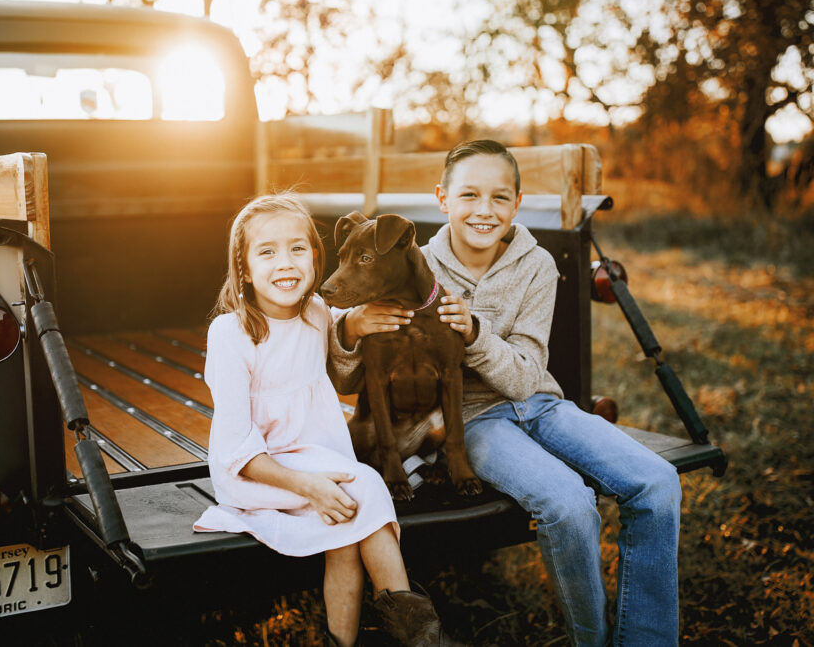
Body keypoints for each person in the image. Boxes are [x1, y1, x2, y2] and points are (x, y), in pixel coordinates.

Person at [330, 140, 683, 647]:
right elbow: (349, 373)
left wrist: (474, 333)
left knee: (658, 482)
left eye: (499, 197)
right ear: (442, 199)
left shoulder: (536, 264)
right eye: (469, 194)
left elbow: (524, 377)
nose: (484, 210)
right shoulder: (406, 264)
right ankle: (592, 641)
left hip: (541, 403)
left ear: (517, 204)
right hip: (474, 420)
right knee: (568, 503)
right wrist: (351, 327)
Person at [193, 194, 458, 647]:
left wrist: (358, 322)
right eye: (267, 251)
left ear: (316, 258)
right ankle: (421, 638)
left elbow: (344, 325)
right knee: (368, 488)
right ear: (243, 265)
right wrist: (308, 486)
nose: (286, 263)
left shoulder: (315, 312)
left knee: (345, 532)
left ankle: (352, 640)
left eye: (298, 249)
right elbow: (237, 447)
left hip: (317, 460)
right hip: (258, 470)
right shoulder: (230, 334)